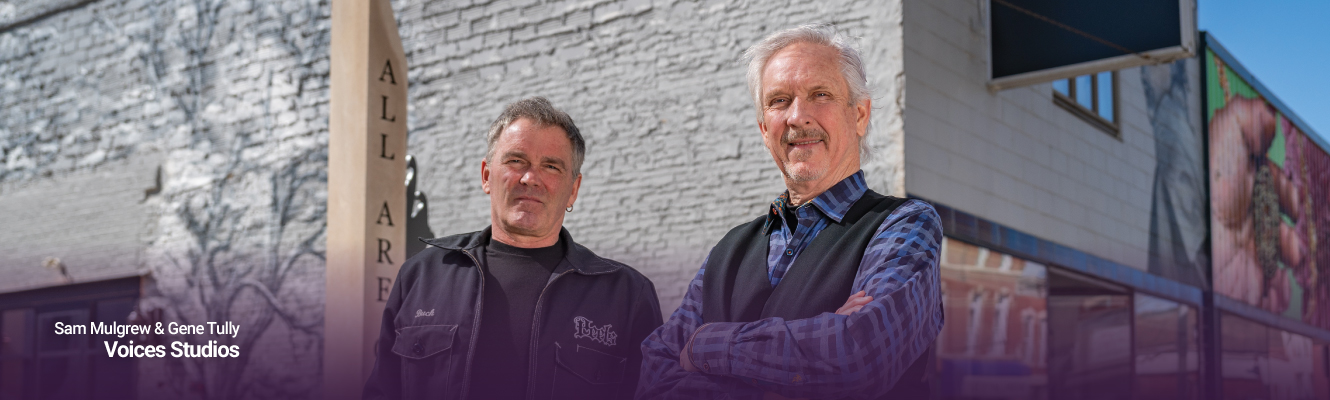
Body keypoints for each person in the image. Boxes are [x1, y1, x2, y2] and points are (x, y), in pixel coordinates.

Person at [637, 25, 944, 400]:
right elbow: (653, 376)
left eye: (820, 94)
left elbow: (859, 357)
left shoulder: (905, 224)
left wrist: (704, 346)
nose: (798, 116)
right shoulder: (728, 250)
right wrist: (813, 347)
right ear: (765, 129)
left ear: (860, 115)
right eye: (779, 100)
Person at [363, 97, 663, 400]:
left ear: (573, 190)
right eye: (516, 161)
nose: (530, 178)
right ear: (486, 176)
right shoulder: (421, 276)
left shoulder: (627, 296)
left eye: (551, 166)